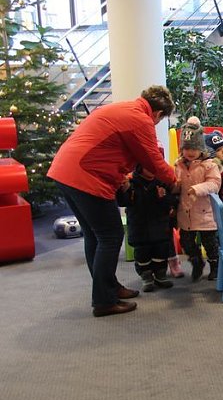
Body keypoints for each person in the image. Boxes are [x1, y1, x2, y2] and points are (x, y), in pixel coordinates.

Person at [47, 85, 177, 317]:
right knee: (110, 236)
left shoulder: (123, 109)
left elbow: (111, 150)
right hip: (85, 176)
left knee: (94, 235)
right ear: (158, 114)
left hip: (64, 172)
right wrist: (175, 181)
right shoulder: (140, 119)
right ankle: (104, 300)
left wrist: (121, 176)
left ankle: (109, 288)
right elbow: (153, 161)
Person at [116, 162, 177, 292]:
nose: (152, 170)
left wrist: (163, 197)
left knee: (161, 252)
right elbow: (123, 202)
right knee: (142, 254)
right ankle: (146, 277)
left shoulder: (162, 181)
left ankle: (160, 276)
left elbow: (171, 203)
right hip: (139, 226)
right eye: (148, 166)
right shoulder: (131, 181)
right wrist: (124, 189)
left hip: (159, 225)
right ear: (140, 166)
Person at [175, 117, 222, 282]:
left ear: (201, 148)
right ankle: (196, 261)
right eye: (186, 148)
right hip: (185, 212)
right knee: (186, 242)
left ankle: (215, 266)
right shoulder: (178, 165)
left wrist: (198, 188)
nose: (190, 152)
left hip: (204, 213)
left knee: (210, 243)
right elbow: (176, 184)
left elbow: (215, 184)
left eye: (194, 148)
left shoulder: (209, 165)